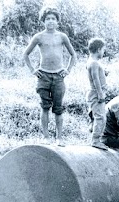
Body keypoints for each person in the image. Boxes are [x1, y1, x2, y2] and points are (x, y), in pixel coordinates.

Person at [23, 6, 77, 146]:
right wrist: (33, 70)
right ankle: (46, 137)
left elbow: (73, 54)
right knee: (45, 107)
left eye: (53, 19)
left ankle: (59, 137)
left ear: (57, 21)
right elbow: (26, 54)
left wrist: (68, 70)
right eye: (48, 19)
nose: (50, 21)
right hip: (43, 77)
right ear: (43, 21)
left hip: (59, 77)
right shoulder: (39, 37)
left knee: (58, 109)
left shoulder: (62, 36)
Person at [85, 38, 108, 150]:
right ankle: (95, 140)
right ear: (99, 49)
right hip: (95, 93)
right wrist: (100, 94)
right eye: (103, 50)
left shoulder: (93, 62)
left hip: (94, 92)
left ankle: (93, 130)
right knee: (101, 118)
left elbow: (97, 75)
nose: (104, 52)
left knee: (98, 116)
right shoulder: (94, 63)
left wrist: (104, 73)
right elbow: (95, 79)